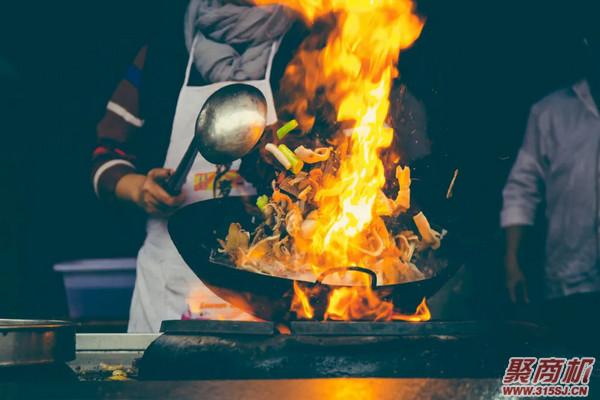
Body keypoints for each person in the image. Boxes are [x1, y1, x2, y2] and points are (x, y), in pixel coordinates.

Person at [92, 0, 299, 332]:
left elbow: (349, 172)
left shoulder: (307, 46)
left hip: (267, 298)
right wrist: (139, 188)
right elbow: (106, 154)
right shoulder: (165, 49)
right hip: (167, 290)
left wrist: (292, 168)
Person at [501, 28, 600, 348]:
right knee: (577, 377)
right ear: (589, 44)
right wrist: (512, 259)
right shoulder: (550, 113)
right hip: (569, 282)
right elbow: (521, 188)